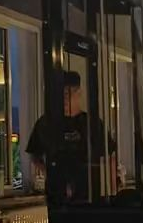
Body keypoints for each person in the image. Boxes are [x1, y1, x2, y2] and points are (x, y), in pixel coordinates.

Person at [24, 70, 110, 201]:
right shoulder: (46, 123)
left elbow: (108, 155)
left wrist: (109, 184)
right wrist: (50, 174)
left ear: (78, 93)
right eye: (60, 94)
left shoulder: (91, 123)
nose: (64, 99)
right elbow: (35, 154)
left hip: (89, 193)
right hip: (56, 194)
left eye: (68, 94)